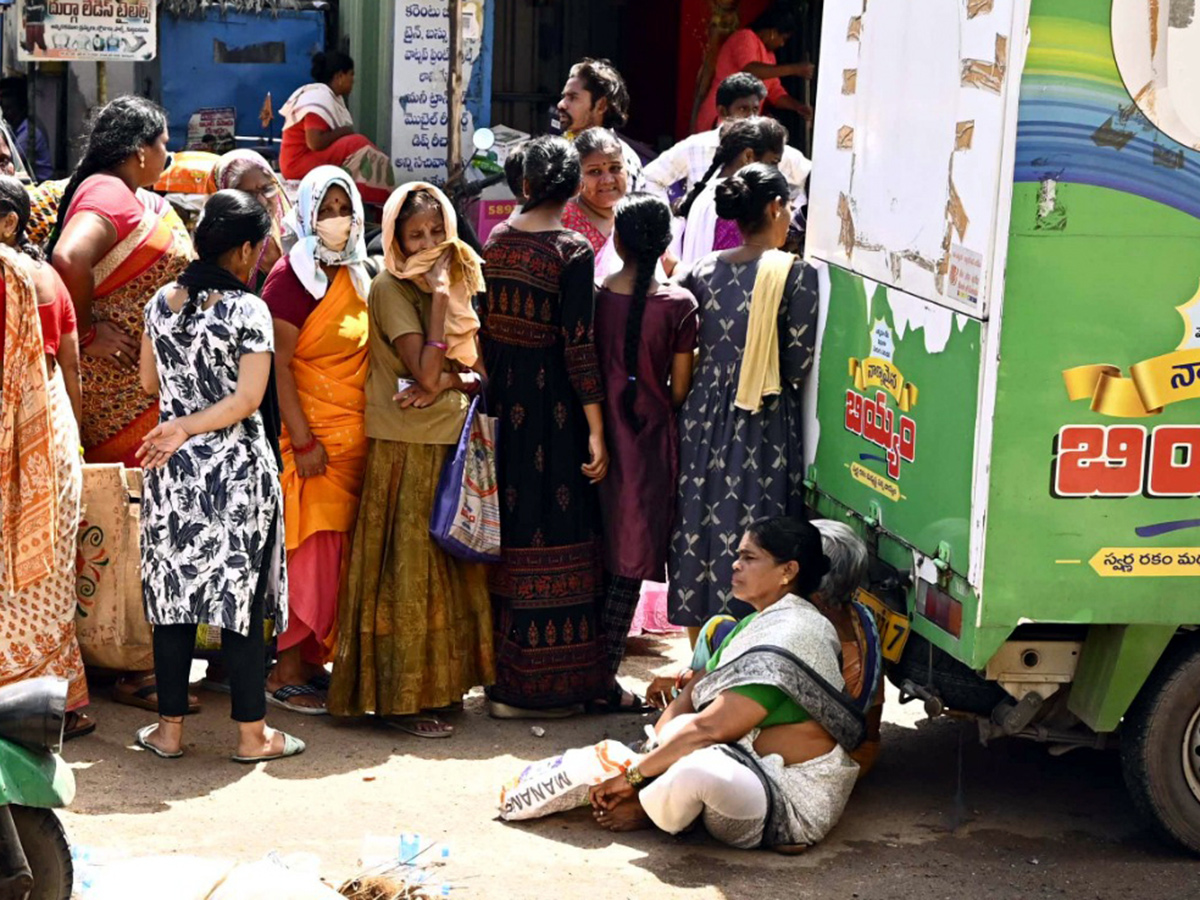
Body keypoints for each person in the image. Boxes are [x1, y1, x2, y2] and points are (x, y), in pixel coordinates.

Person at [133, 190, 301, 763]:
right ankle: (253, 738)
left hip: (173, 473)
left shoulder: (161, 303)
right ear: (247, 249)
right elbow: (249, 398)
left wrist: (179, 426)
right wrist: (192, 426)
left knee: (173, 599)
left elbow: (150, 387)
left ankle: (170, 734)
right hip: (236, 475)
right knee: (240, 601)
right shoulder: (249, 310)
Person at [327, 182, 493, 737]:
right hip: (404, 444)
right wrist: (441, 301)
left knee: (444, 573)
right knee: (405, 573)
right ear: (395, 238)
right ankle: (398, 701)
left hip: (447, 439)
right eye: (415, 234)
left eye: (436, 232)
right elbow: (422, 373)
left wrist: (451, 378)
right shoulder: (391, 287)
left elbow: (474, 373)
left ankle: (439, 691)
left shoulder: (466, 278)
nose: (427, 243)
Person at [590, 517, 864, 849]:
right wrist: (656, 747)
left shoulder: (793, 633)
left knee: (701, 770)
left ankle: (648, 809)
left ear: (787, 571)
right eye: (738, 555)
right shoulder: (754, 622)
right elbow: (695, 690)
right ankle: (663, 798)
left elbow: (711, 729)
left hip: (787, 793)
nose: (735, 565)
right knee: (677, 738)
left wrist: (634, 777)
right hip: (741, 759)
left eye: (749, 558)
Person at [481, 136, 610, 717]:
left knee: (509, 531)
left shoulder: (497, 240)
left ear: (525, 184)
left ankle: (506, 680)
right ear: (574, 187)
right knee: (559, 529)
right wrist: (597, 429)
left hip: (505, 409)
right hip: (553, 416)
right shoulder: (573, 250)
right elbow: (579, 347)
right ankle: (552, 689)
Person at [669, 164, 819, 635]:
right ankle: (750, 647)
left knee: (698, 524)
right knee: (757, 527)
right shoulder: (795, 275)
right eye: (788, 207)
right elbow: (796, 364)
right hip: (763, 420)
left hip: (698, 417)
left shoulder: (700, 270)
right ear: (775, 208)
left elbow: (682, 348)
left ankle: (700, 652)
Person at [648, 518, 885, 777]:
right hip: (861, 752)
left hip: (814, 763)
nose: (737, 565)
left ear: (796, 572)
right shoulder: (860, 618)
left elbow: (717, 723)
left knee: (718, 631)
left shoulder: (801, 633)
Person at [260, 166, 371, 715]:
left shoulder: (361, 273)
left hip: (354, 441)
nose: (335, 220)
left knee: (336, 554)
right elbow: (278, 366)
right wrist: (302, 439)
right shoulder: (291, 277)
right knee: (309, 551)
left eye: (342, 207)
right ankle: (284, 670)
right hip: (308, 442)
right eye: (323, 210)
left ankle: (312, 661)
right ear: (306, 215)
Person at [592, 193, 698, 712]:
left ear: (616, 240)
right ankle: (604, 677)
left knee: (594, 558)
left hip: (595, 441)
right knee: (628, 565)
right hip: (649, 446)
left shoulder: (594, 298)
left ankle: (585, 673)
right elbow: (679, 390)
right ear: (665, 245)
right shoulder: (679, 306)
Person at [49, 96, 194, 467]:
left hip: (130, 388)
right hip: (116, 391)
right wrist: (86, 334)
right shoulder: (108, 192)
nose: (169, 153)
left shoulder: (120, 192)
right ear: (140, 151)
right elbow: (69, 257)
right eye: (164, 143)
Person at [0, 184, 91, 739]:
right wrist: (74, 446)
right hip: (51, 429)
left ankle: (20, 711)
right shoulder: (46, 278)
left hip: (19, 436)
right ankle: (60, 704)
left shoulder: (11, 276)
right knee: (48, 580)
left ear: (10, 222)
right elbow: (73, 369)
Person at [645, 73, 811, 205]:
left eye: (755, 109)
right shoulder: (695, 147)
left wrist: (793, 217)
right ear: (723, 112)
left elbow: (813, 179)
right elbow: (650, 177)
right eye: (743, 109)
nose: (751, 117)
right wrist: (669, 224)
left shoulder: (775, 151)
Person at [279, 51, 396, 206]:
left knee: (360, 145)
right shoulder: (318, 98)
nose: (353, 80)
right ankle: (373, 205)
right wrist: (344, 132)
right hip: (298, 163)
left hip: (306, 159)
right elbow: (315, 143)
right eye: (351, 75)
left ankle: (372, 202)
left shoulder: (330, 98)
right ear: (340, 76)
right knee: (360, 146)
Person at [674, 117, 786, 270]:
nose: (776, 171)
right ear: (748, 156)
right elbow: (731, 272)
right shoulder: (733, 200)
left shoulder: (709, 192)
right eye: (773, 162)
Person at [694, 4, 815, 133]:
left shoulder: (769, 56)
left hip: (740, 125)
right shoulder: (745, 37)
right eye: (783, 39)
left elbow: (775, 93)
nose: (781, 44)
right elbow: (751, 70)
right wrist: (795, 69)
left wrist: (798, 106)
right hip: (720, 117)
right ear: (773, 33)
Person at [556, 59, 643, 192]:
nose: (561, 104)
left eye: (573, 97)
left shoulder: (621, 158)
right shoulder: (560, 152)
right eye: (564, 97)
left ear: (601, 105)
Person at [210, 149, 294, 284]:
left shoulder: (293, 235)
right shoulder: (219, 253)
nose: (261, 201)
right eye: (249, 195)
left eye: (267, 189)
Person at [560, 128, 628, 283]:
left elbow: (671, 265)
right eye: (595, 171)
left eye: (615, 168)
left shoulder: (636, 213)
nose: (608, 179)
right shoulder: (564, 222)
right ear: (577, 176)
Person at [0, 77, 52, 181]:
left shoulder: (29, 131)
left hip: (39, 181)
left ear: (21, 107)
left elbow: (14, 157)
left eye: (9, 108)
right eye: (4, 108)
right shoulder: (16, 127)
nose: (5, 113)